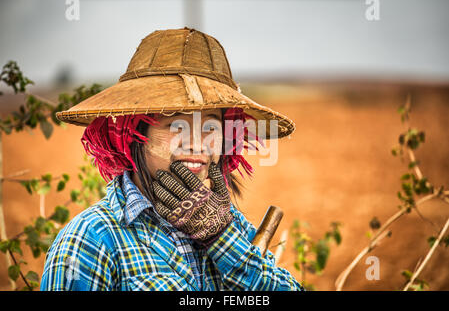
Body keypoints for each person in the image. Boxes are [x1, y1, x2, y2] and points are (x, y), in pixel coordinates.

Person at [40, 27, 304, 291]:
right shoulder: (92, 239)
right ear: (134, 134)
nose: (197, 144)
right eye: (176, 126)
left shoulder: (228, 225)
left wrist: (221, 238)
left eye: (211, 127)